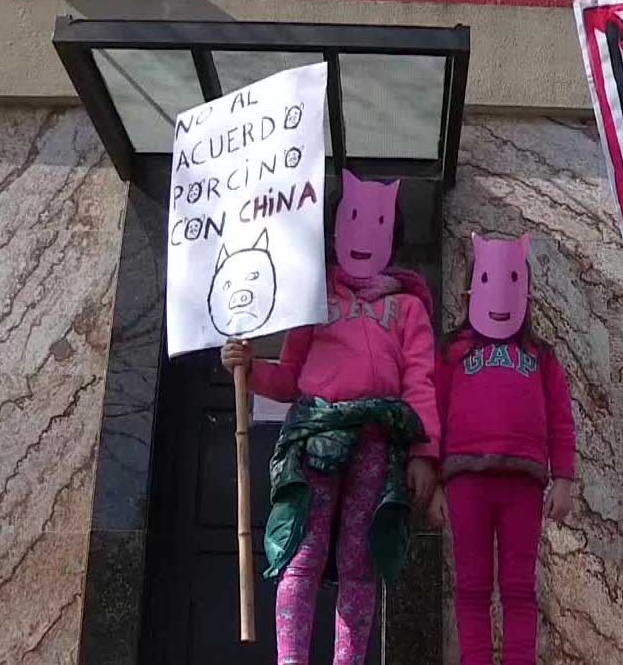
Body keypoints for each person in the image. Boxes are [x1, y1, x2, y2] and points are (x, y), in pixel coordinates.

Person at [221, 170, 439, 665]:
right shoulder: (313, 300)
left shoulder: (408, 309)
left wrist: (425, 454)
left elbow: (420, 384)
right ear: (336, 231)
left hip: (377, 444)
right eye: (352, 221)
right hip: (315, 438)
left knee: (359, 563)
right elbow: (288, 378)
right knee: (303, 553)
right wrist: (248, 368)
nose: (362, 235)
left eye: (376, 224)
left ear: (393, 237)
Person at [427, 233, 577, 665]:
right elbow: (433, 416)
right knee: (472, 586)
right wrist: (434, 482)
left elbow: (561, 420)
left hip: (523, 484)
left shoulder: (541, 357)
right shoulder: (452, 353)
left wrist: (563, 479)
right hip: (465, 482)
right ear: (470, 289)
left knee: (518, 587)